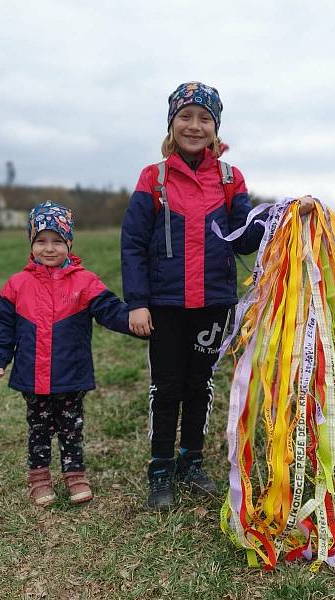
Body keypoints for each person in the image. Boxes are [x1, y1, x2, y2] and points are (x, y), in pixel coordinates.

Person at [121, 81, 269, 509]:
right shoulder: (154, 177)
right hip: (164, 305)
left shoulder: (229, 177)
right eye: (185, 116)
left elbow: (244, 237)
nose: (194, 125)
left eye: (204, 118)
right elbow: (132, 243)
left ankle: (192, 460)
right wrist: (138, 301)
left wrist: (283, 217)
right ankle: (161, 467)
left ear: (215, 127)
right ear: (172, 123)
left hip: (213, 303)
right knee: (166, 387)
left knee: (200, 384)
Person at [0, 202, 149, 507]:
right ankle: (39, 479)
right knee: (39, 428)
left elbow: (110, 311)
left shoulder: (84, 282)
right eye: (41, 241)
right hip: (31, 375)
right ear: (31, 243)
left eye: (57, 241)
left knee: (71, 426)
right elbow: (4, 326)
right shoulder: (16, 285)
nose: (49, 249)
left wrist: (136, 321)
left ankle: (75, 476)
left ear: (69, 243)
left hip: (71, 374)